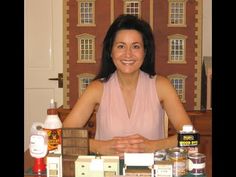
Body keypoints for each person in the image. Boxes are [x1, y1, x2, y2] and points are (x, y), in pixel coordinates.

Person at [63, 14, 192, 157]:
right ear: (110, 52)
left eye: (136, 46)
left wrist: (154, 146)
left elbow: (192, 139)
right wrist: (99, 146)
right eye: (121, 46)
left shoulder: (161, 86)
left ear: (145, 52)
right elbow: (63, 136)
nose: (128, 54)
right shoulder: (97, 89)